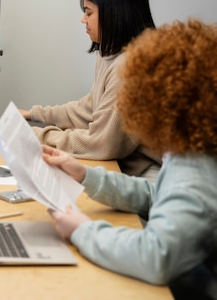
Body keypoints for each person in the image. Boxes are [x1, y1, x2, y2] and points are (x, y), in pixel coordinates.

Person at [43, 19, 217, 299]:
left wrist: (83, 230)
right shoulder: (197, 151)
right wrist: (86, 175)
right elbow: (159, 194)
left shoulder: (194, 174)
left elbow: (155, 257)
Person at [20, 0, 159, 177]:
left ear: (114, 13)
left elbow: (102, 144)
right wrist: (35, 115)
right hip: (126, 164)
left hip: (152, 173)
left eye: (88, 13)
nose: (83, 20)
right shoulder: (111, 52)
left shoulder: (130, 68)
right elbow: (91, 108)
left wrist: (35, 136)